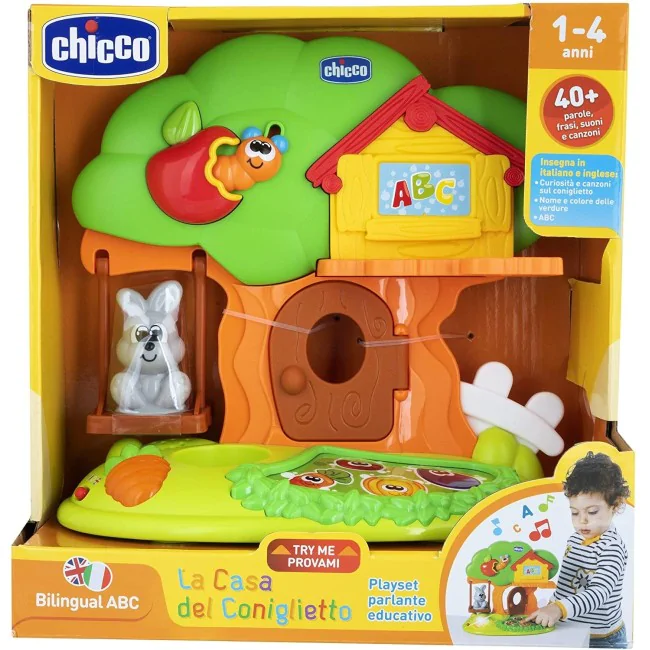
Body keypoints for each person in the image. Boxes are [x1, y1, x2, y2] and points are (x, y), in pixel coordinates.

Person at [525, 452, 629, 648]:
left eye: (592, 512)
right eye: (575, 512)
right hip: (569, 628)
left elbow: (599, 592)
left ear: (615, 505)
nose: (582, 520)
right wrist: (551, 604)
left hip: (600, 639)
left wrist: (558, 609)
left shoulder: (611, 547)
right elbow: (567, 583)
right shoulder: (576, 538)